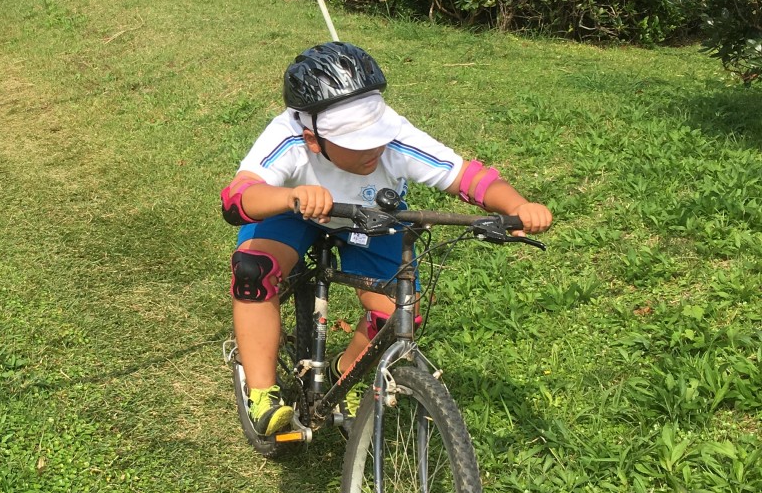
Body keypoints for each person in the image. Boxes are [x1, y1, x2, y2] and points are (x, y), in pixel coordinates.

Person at [222, 41, 553, 439]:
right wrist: (290, 196)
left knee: (398, 311)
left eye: (376, 134)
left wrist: (518, 206)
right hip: (293, 209)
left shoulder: (394, 139)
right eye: (357, 142)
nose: (374, 148)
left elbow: (468, 177)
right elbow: (239, 197)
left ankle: (344, 374)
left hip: (370, 217)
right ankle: (262, 394)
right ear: (313, 139)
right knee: (253, 270)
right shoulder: (288, 137)